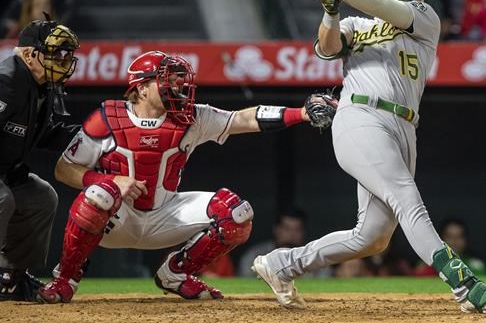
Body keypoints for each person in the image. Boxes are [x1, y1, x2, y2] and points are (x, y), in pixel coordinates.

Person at [251, 0, 486, 314]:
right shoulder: (356, 23)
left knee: (372, 237)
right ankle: (463, 284)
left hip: (404, 127)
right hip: (360, 115)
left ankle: (283, 264)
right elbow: (327, 49)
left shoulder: (424, 18)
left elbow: (377, 2)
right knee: (407, 198)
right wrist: (330, 10)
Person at [36, 50, 334, 303]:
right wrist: (111, 181)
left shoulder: (192, 117)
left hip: (166, 215)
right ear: (141, 88)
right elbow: (64, 170)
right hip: (117, 220)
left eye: (178, 79)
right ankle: (67, 278)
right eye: (166, 79)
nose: (177, 85)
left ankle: (176, 273)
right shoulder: (107, 118)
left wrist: (302, 114)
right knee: (100, 193)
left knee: (238, 213)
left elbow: (242, 118)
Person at [0, 18, 80, 301]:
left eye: (67, 54)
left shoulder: (42, 86)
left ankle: (11, 277)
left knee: (41, 196)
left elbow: (48, 134)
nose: (64, 60)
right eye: (57, 52)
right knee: (2, 198)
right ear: (28, 54)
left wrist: (96, 135)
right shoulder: (5, 80)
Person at [237, 207, 308, 277]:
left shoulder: (312, 257)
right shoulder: (254, 256)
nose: (292, 234)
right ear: (276, 230)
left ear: (304, 232)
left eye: (297, 229)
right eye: (287, 228)